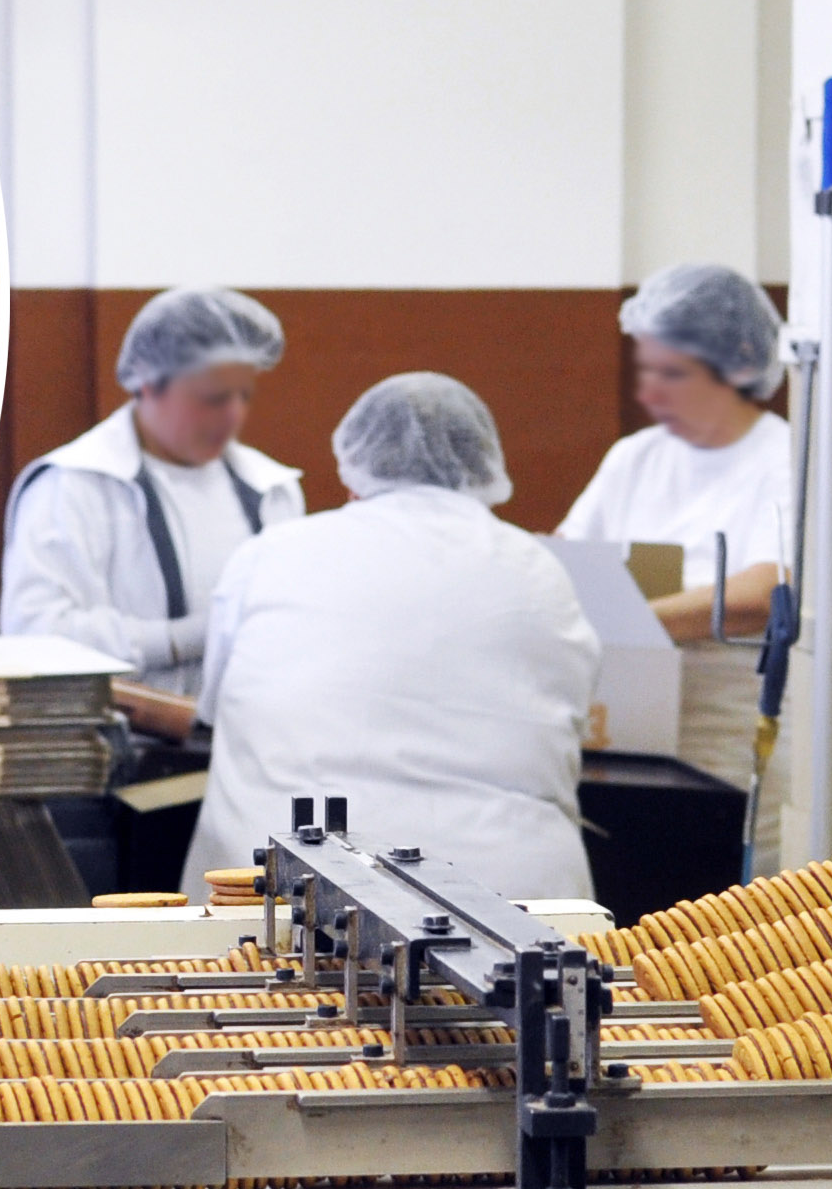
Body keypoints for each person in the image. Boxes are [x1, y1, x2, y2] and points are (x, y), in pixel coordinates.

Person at [184, 375, 603, 902]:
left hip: (296, 894)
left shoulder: (275, 552)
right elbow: (577, 712)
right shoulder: (540, 568)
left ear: (355, 471)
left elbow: (216, 706)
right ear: (484, 466)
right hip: (512, 896)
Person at [558, 262, 798, 846]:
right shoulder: (635, 459)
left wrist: (630, 622)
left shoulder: (783, 457)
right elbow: (565, 561)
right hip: (625, 730)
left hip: (728, 733)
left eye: (673, 373)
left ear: (735, 367)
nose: (649, 392)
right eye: (646, 370)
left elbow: (767, 591)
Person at [0, 287, 307, 725]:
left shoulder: (273, 490)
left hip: (247, 747)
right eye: (213, 398)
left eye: (244, 396)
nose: (233, 416)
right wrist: (177, 640)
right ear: (148, 384)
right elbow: (36, 635)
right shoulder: (72, 487)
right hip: (113, 756)